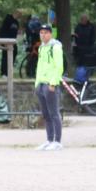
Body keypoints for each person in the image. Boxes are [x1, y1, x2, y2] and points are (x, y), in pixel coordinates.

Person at [34, 23, 64, 151]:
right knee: (46, 114)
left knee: (54, 113)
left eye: (46, 32)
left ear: (50, 34)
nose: (43, 35)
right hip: (41, 84)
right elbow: (40, 67)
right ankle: (49, 139)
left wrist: (53, 83)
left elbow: (59, 66)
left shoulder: (55, 47)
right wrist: (37, 84)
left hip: (50, 84)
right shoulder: (42, 47)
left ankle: (57, 141)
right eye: (41, 32)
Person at [0, 11, 22, 77]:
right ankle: (4, 73)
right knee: (5, 57)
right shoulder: (7, 20)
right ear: (16, 13)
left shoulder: (16, 22)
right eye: (20, 14)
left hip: (12, 41)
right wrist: (4, 41)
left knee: (14, 53)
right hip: (6, 41)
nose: (20, 15)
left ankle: (9, 71)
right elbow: (3, 30)